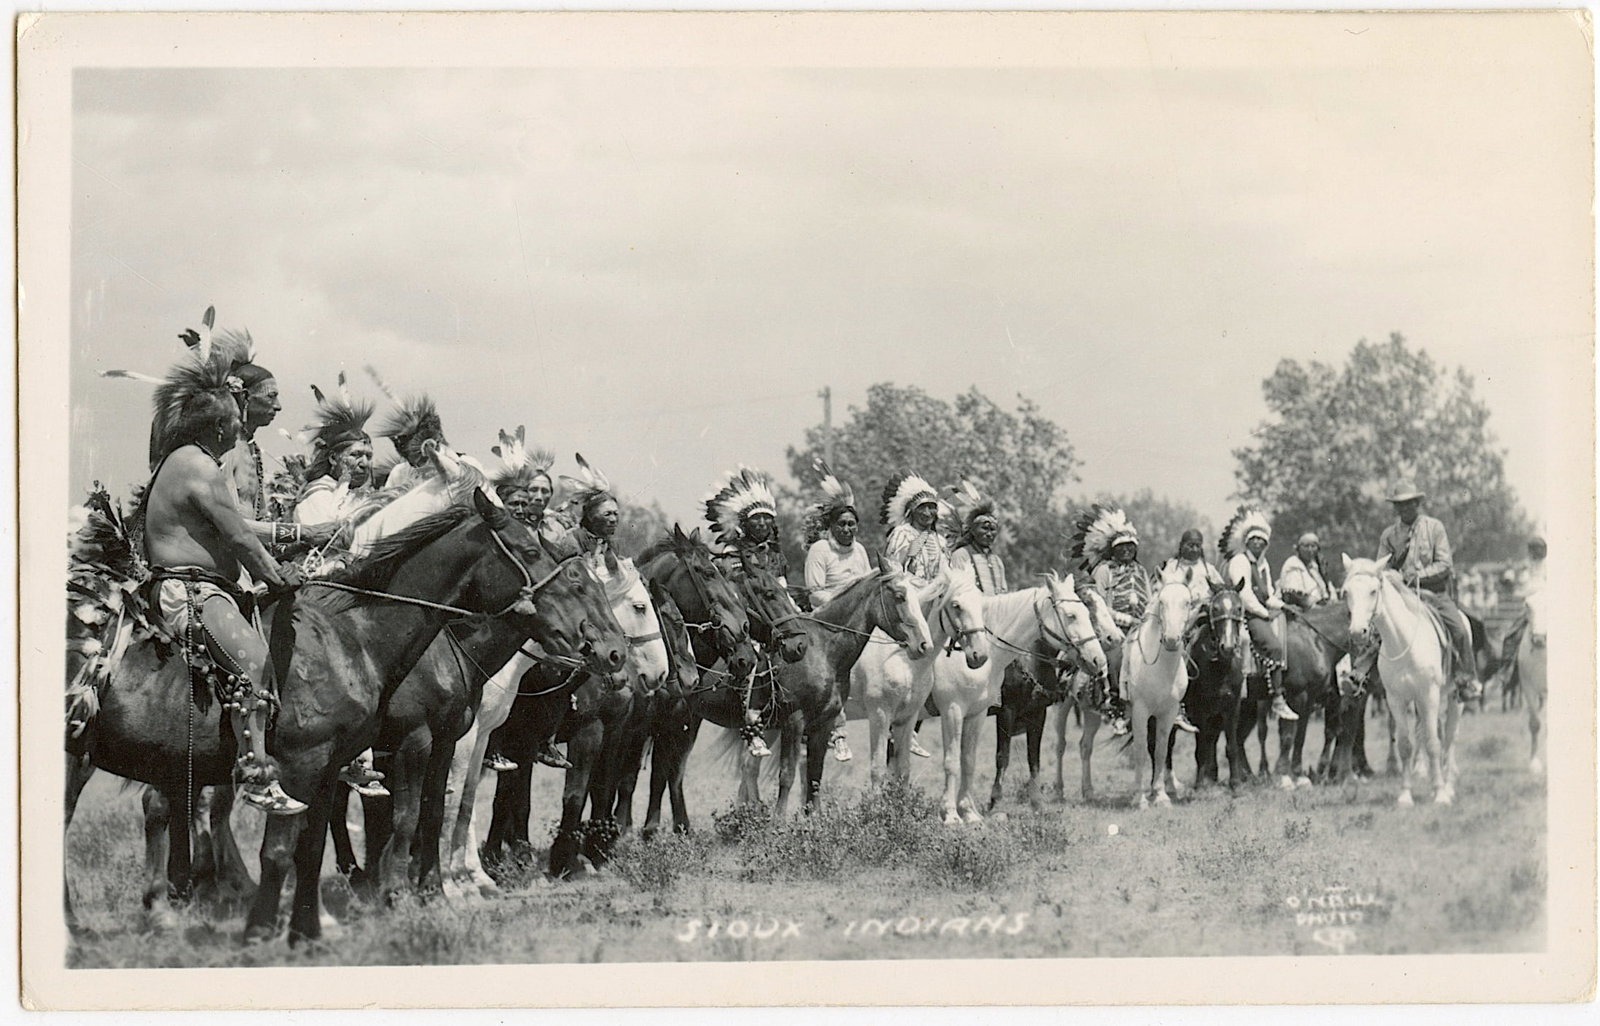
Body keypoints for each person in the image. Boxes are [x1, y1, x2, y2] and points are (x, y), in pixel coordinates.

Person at [142, 342, 305, 814]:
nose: (241, 428)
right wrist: (277, 577)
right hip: (190, 592)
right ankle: (255, 774)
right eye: (236, 420)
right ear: (220, 425)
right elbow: (240, 539)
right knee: (254, 658)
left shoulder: (189, 459)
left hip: (207, 588)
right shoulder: (198, 465)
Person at [289, 375, 392, 798]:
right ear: (333, 460)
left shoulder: (364, 497)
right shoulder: (318, 496)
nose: (364, 462)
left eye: (368, 455)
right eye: (355, 455)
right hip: (321, 592)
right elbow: (325, 540)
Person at [479, 425, 561, 774]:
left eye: (539, 495)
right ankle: (492, 742)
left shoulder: (545, 529)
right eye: (519, 502)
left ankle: (545, 737)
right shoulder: (495, 535)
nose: (528, 505)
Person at [1352, 481, 1481, 701]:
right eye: (1399, 505)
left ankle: (1466, 679)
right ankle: (1360, 677)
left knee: (1459, 628)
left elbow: (1444, 564)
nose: (1404, 509)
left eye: (1409, 504)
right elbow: (1380, 567)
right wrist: (1393, 578)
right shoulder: (1389, 536)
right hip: (1400, 596)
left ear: (1417, 504)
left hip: (1433, 594)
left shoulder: (1434, 528)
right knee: (1373, 628)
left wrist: (1418, 576)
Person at [705, 467, 789, 759]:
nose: (763, 523)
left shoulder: (775, 553)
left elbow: (781, 586)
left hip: (776, 615)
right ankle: (749, 721)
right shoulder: (731, 551)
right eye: (757, 518)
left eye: (768, 517)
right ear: (745, 522)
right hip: (745, 619)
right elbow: (730, 589)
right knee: (751, 659)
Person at [802, 458, 871, 762]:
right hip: (826, 622)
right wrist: (842, 605)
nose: (847, 529)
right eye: (841, 524)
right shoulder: (820, 550)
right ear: (831, 526)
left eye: (851, 524)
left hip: (859, 622)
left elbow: (869, 585)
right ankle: (837, 729)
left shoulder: (861, 551)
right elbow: (814, 592)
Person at [880, 472, 948, 758]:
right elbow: (893, 571)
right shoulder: (902, 534)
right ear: (911, 510)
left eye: (933, 508)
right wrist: (917, 587)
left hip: (934, 601)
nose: (930, 513)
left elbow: (944, 571)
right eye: (924, 508)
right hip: (909, 603)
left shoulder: (939, 538)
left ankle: (916, 725)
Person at [1071, 505, 1150, 736]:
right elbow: (1100, 606)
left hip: (1141, 626)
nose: (1126, 551)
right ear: (1113, 550)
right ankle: (1116, 706)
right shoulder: (1104, 570)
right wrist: (1127, 620)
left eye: (1130, 547)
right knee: (1117, 657)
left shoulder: (1141, 571)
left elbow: (1150, 598)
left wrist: (1147, 620)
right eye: (1121, 548)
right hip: (1111, 628)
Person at [1220, 507, 1301, 722]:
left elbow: (1268, 594)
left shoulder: (1262, 564)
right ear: (1247, 542)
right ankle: (1277, 697)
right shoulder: (1240, 562)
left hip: (1260, 609)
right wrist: (1265, 614)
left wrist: (1283, 606)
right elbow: (1245, 595)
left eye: (1261, 541)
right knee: (1273, 646)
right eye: (1253, 540)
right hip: (1244, 612)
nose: (1257, 543)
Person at [1158, 527, 1223, 733]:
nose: (1194, 549)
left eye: (1197, 545)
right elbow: (1163, 591)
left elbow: (1221, 590)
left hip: (1205, 618)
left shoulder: (1209, 569)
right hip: (1180, 618)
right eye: (1190, 545)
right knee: (1183, 651)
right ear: (1182, 546)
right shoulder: (1171, 568)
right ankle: (1179, 705)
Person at [947, 480, 1007, 595]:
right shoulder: (961, 555)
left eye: (992, 529)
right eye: (984, 528)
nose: (989, 533)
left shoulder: (997, 561)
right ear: (973, 531)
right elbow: (958, 592)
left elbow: (1003, 592)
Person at [1279, 531, 1331, 610]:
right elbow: (1292, 596)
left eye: (1313, 546)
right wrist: (1314, 604)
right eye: (1306, 546)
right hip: (1299, 611)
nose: (1310, 550)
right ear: (1299, 548)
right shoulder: (1293, 564)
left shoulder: (1314, 566)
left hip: (1319, 610)